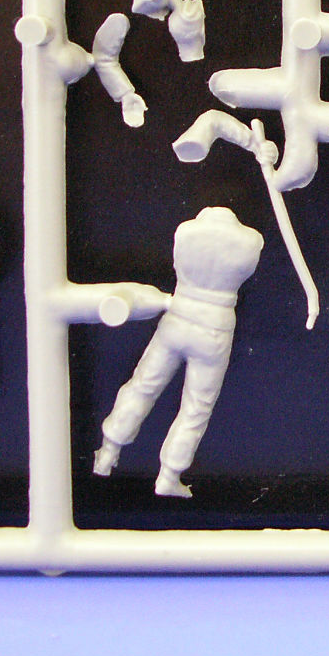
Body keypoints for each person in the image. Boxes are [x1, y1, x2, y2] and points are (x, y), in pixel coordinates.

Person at [93, 207, 264, 498]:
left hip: (178, 318)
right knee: (196, 408)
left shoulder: (186, 232)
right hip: (214, 327)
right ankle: (169, 475)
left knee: (143, 386)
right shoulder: (251, 241)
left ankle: (108, 451)